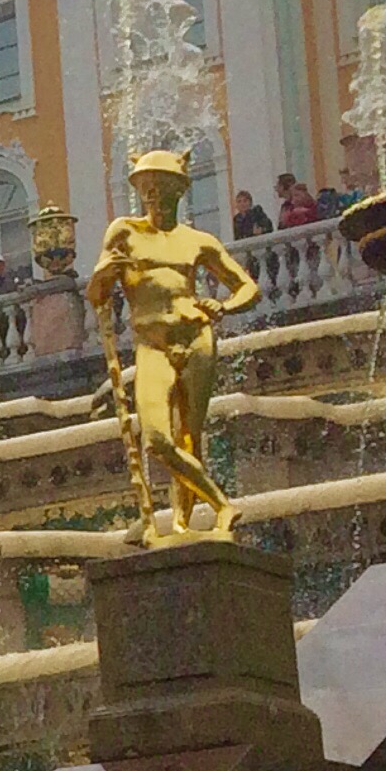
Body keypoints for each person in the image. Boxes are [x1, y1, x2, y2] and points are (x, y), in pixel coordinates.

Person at [89, 148, 261, 541]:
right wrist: (103, 273)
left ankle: (182, 525)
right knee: (157, 441)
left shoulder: (198, 241)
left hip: (196, 338)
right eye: (145, 185)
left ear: (179, 190)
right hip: (152, 345)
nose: (152, 192)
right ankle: (222, 504)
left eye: (160, 185)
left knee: (190, 437)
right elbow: (97, 296)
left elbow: (248, 287)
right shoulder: (123, 232)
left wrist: (224, 305)